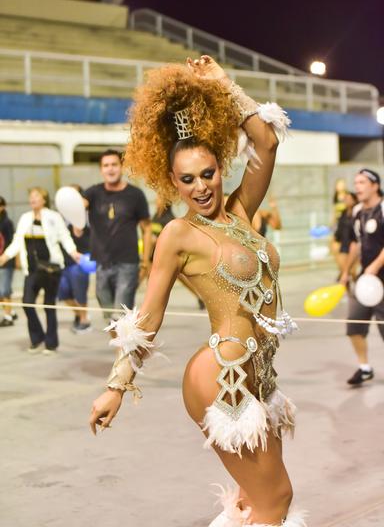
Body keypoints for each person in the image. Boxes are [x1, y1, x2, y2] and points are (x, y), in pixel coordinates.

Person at [89, 56, 306, 527]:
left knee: (255, 499)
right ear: (173, 183)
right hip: (220, 374)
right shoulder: (177, 235)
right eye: (187, 180)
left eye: (207, 173)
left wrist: (222, 84)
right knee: (276, 499)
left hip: (260, 372)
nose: (201, 187)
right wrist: (115, 388)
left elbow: (265, 142)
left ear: (220, 167)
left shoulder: (241, 212)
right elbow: (147, 318)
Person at [0, 187, 80, 354]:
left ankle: (51, 343)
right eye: (31, 196)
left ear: (44, 199)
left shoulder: (53, 217)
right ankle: (37, 338)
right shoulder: (25, 218)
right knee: (27, 303)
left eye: (36, 196)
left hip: (51, 269)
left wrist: (73, 252)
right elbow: (17, 241)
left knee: (49, 306)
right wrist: (5, 257)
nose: (32, 199)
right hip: (32, 270)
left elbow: (64, 236)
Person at [84, 149, 152, 317]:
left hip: (127, 264)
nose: (110, 169)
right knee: (108, 316)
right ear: (101, 170)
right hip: (102, 263)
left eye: (114, 164)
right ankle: (123, 343)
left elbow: (147, 228)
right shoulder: (92, 193)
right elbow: (76, 207)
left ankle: (123, 344)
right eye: (106, 165)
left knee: (120, 315)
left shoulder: (135, 195)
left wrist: (145, 262)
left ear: (121, 167)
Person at [340, 168, 384, 386]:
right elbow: (356, 245)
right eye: (356, 182)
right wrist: (346, 271)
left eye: (363, 182)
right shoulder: (357, 212)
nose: (358, 187)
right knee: (354, 326)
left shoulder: (383, 209)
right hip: (364, 280)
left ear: (375, 185)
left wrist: (375, 266)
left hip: (380, 278)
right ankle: (364, 368)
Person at [151, 195, 205, 309]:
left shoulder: (170, 220)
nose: (156, 202)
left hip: (166, 258)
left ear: (166, 202)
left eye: (159, 199)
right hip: (153, 256)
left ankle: (200, 296)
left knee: (182, 278)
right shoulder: (156, 216)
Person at [333, 191, 358, 280]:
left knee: (352, 271)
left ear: (354, 200)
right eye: (345, 199)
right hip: (343, 245)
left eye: (349, 199)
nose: (346, 201)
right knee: (344, 269)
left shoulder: (358, 212)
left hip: (354, 245)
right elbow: (339, 228)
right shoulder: (343, 213)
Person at [0, 196, 16, 326]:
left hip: (5, 261)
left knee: (4, 290)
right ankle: (11, 311)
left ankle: (8, 317)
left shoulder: (6, 223)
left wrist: (7, 258)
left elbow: (11, 243)